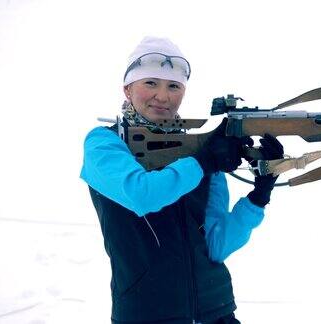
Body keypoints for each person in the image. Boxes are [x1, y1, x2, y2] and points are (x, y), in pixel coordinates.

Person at [80, 36, 283, 324]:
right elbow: (141, 195)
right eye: (151, 82)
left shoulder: (200, 149)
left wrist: (260, 193)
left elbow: (217, 245)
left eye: (173, 86)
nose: (163, 96)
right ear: (127, 88)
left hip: (217, 312)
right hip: (146, 315)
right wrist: (204, 162)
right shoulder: (105, 143)